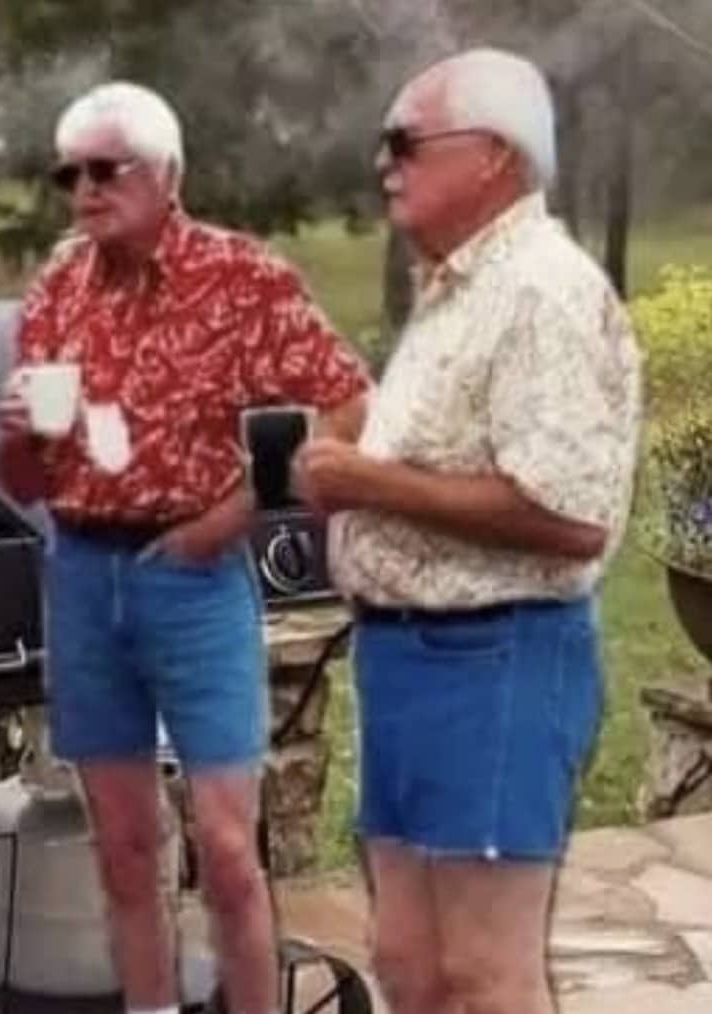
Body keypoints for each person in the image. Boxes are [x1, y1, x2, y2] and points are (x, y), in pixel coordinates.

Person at [0, 82, 370, 1014]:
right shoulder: (56, 290)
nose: (84, 189)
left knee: (229, 851)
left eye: (105, 168)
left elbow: (347, 401)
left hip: (194, 580)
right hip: (83, 576)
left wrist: (239, 513)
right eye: (69, 173)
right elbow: (28, 482)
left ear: (168, 176)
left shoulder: (239, 278)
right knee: (123, 848)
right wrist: (14, 436)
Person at [297, 49, 641, 1014]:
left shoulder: (539, 290)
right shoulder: (461, 290)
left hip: (495, 661)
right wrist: (354, 452)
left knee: (486, 976)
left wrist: (369, 479)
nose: (384, 162)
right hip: (409, 661)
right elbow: (449, 457)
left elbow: (570, 517)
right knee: (409, 963)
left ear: (493, 154)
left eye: (406, 142)